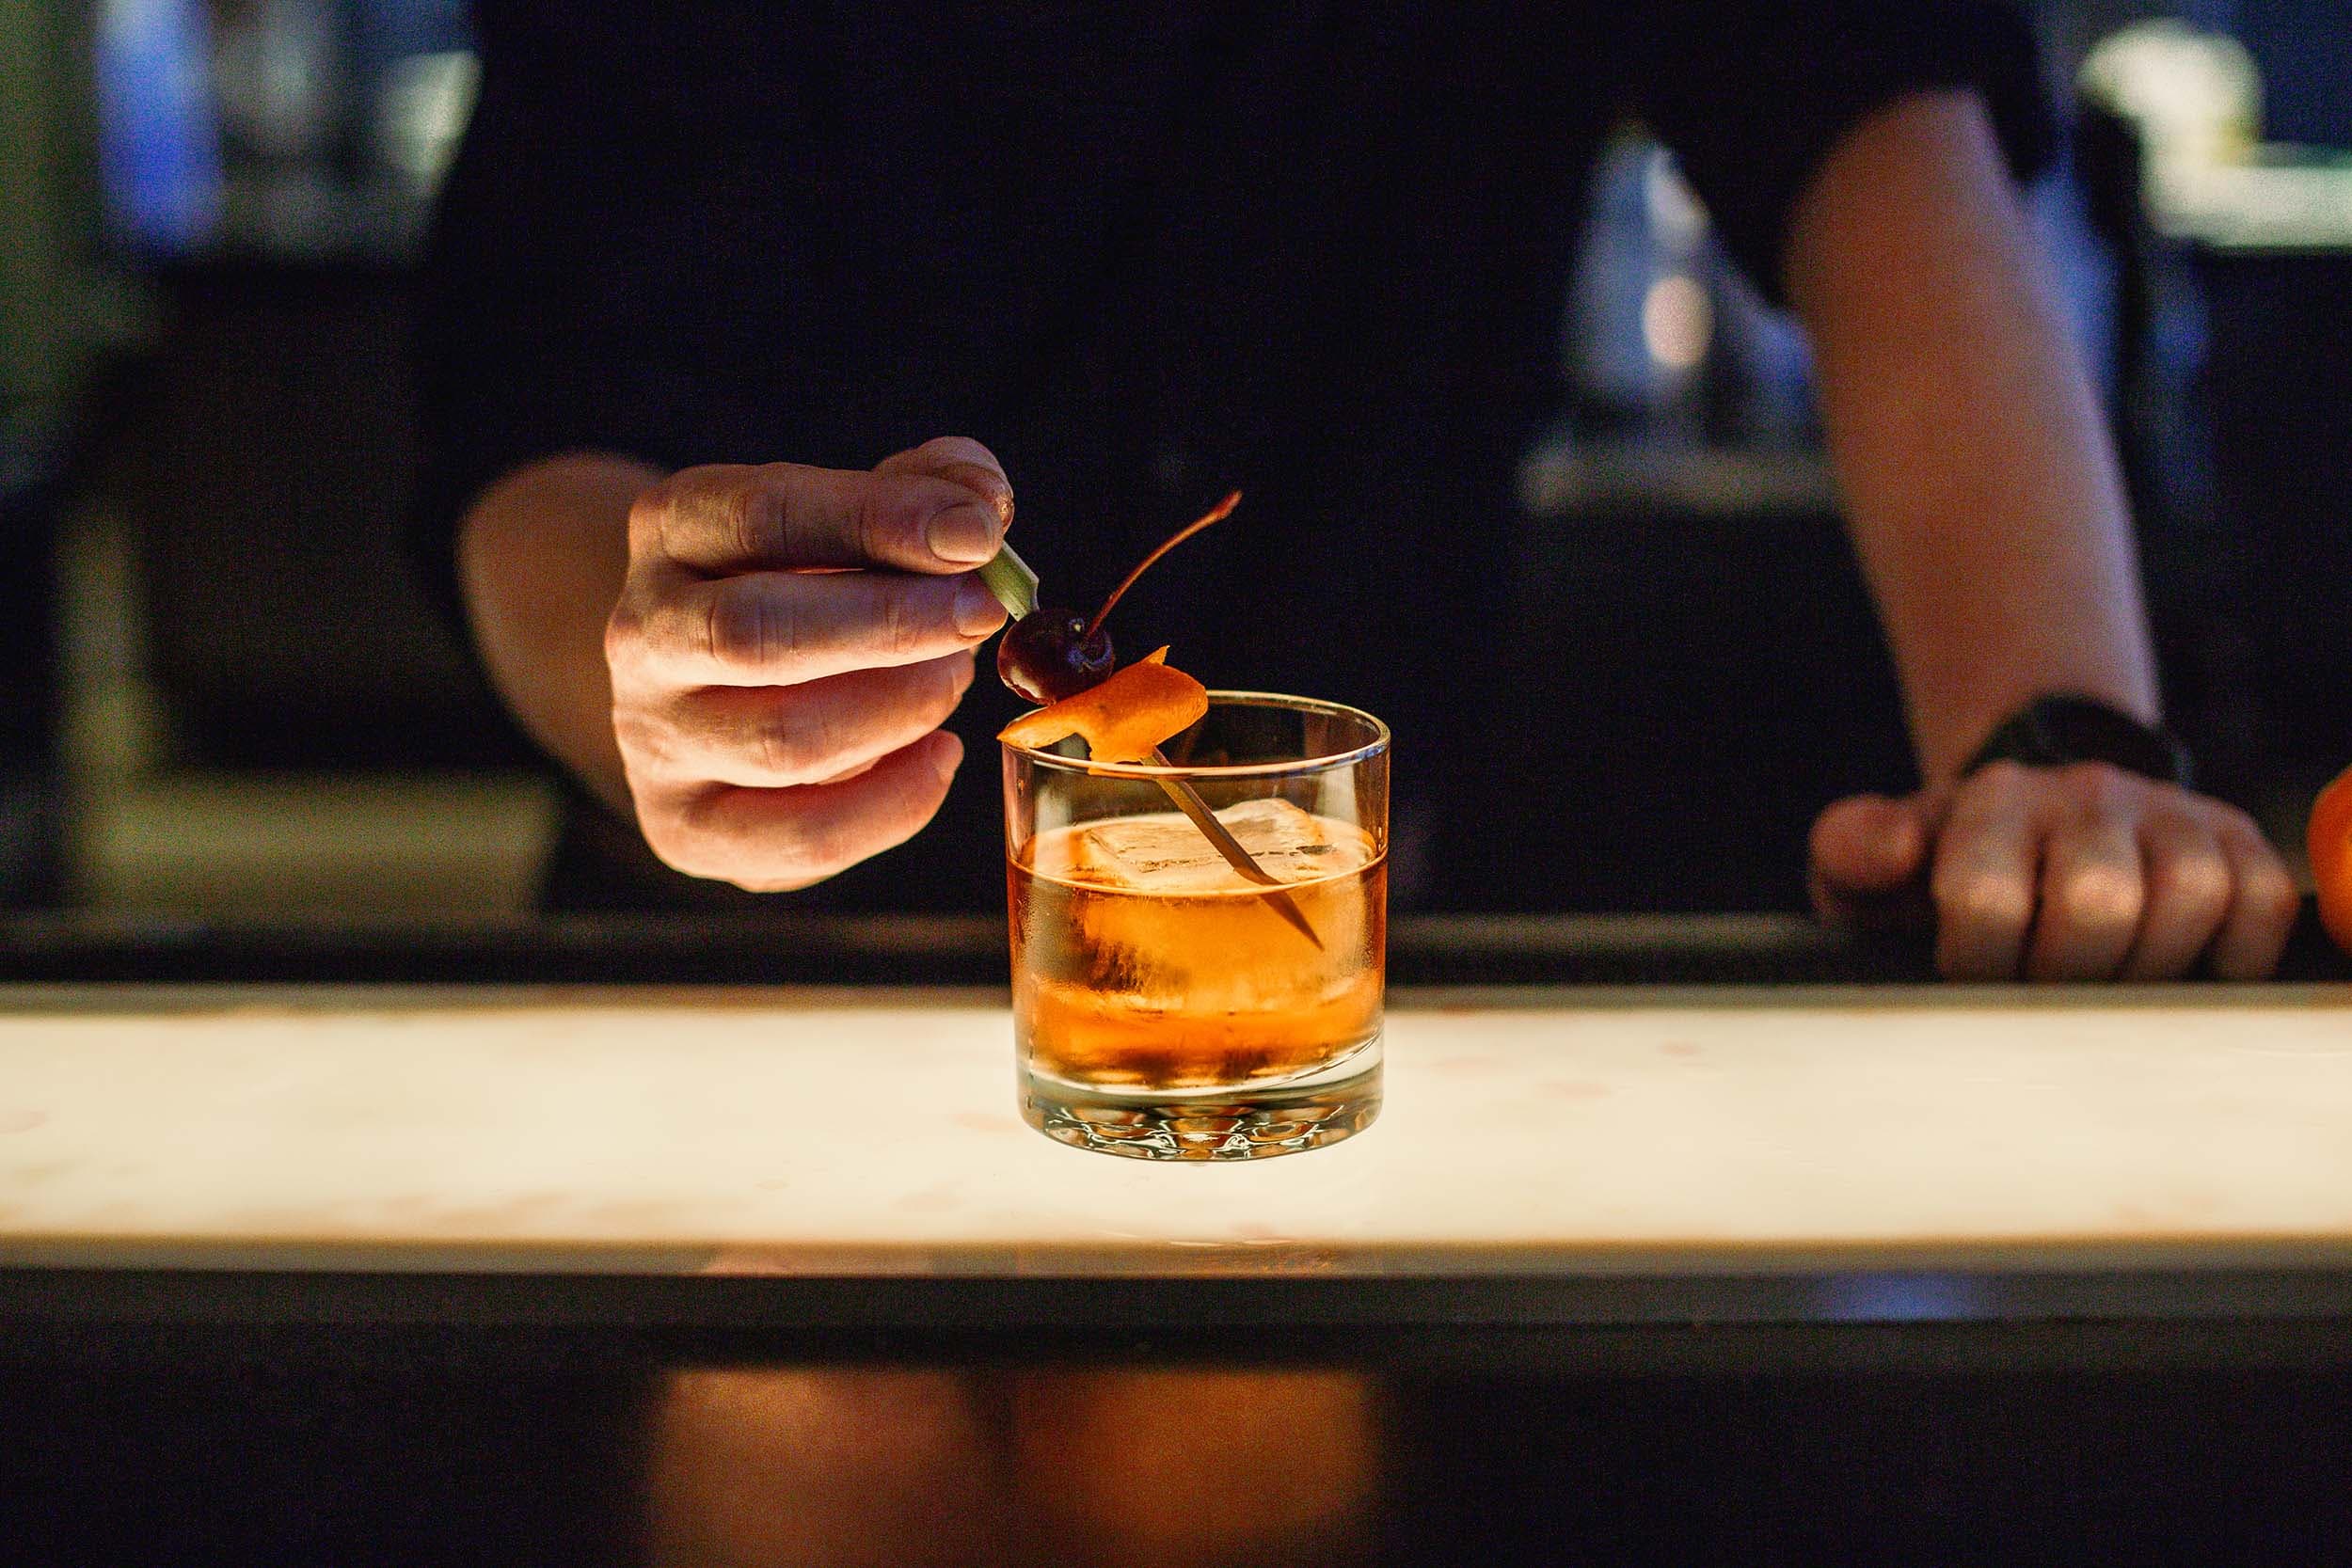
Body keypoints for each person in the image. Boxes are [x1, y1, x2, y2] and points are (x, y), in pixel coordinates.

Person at [413, 0, 2300, 980]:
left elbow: (1878, 123)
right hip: (736, 984)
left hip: (1345, 969)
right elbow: (535, 404)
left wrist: (2053, 745)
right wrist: (667, 686)